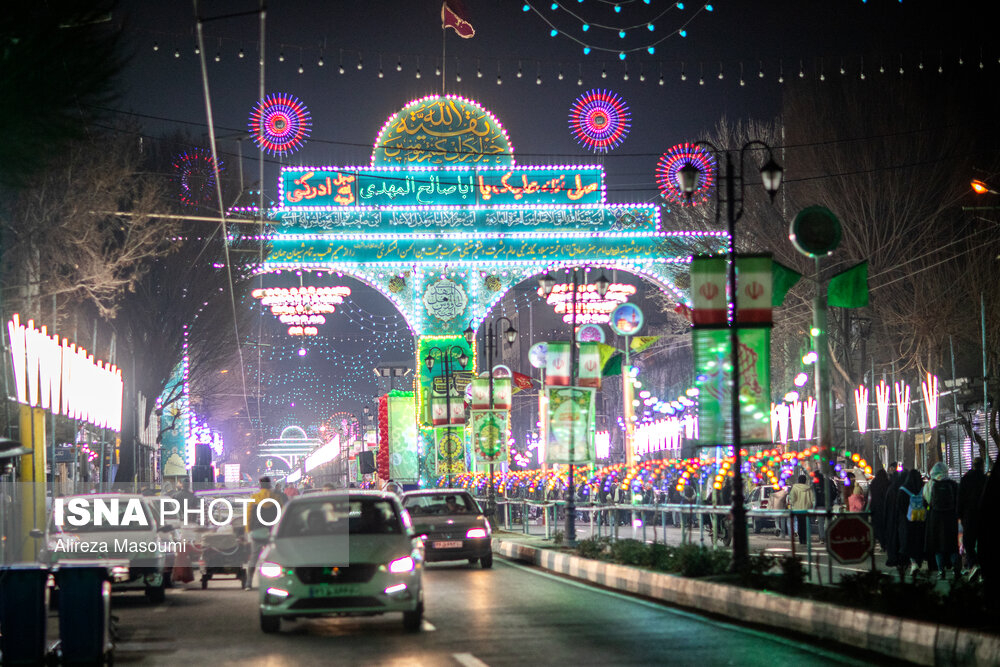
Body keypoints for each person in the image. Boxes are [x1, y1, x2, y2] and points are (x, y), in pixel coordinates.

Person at [924, 461, 960, 580]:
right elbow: (957, 501)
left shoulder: (930, 485)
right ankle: (955, 569)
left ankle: (941, 570)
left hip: (935, 517)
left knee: (937, 545)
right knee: (952, 544)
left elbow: (927, 501)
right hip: (950, 517)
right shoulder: (953, 484)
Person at [244, 477, 276, 590]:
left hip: (257, 532)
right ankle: (273, 583)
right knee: (273, 558)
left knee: (254, 557)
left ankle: (248, 583)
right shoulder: (276, 498)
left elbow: (248, 516)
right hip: (272, 533)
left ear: (260, 485)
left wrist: (248, 530)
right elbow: (282, 514)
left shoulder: (254, 498)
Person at [897, 468, 928, 579]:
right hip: (920, 519)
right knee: (918, 541)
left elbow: (900, 505)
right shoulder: (922, 488)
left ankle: (913, 563)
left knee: (908, 542)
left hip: (908, 520)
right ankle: (918, 563)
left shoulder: (903, 489)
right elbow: (926, 502)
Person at [959, 457, 987, 576]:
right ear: (982, 466)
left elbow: (960, 499)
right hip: (984, 516)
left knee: (968, 542)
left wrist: (959, 515)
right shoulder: (986, 479)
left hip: (969, 515)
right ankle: (981, 569)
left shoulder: (965, 479)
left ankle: (974, 565)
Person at [883, 464, 906, 568]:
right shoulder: (903, 489)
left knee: (893, 538)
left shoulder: (891, 489)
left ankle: (893, 557)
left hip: (891, 519)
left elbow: (887, 506)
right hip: (901, 518)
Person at [788, 474, 814, 545]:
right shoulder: (809, 488)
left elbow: (792, 499)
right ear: (805, 481)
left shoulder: (795, 488)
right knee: (806, 524)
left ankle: (801, 539)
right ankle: (805, 538)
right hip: (807, 509)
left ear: (798, 480)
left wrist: (792, 504)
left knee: (800, 523)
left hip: (798, 509)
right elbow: (812, 499)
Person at [868, 469, 890, 550]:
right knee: (885, 527)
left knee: (877, 527)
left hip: (875, 508)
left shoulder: (874, 483)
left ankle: (881, 543)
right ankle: (885, 543)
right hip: (885, 508)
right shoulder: (887, 483)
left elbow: (870, 496)